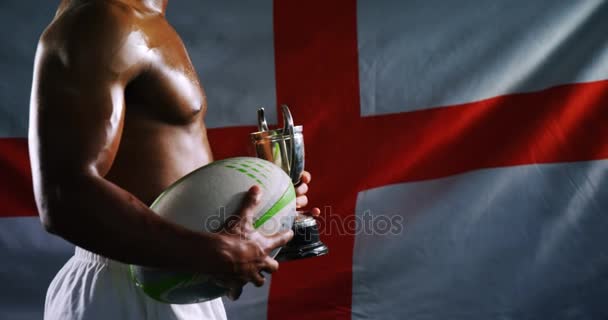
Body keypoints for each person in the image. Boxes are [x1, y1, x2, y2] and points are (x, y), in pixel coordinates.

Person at [28, 0, 319, 319]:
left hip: (175, 277)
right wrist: (212, 252)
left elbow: (154, 170)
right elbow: (63, 197)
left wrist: (262, 207)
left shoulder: (145, 18)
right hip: (125, 286)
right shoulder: (101, 18)